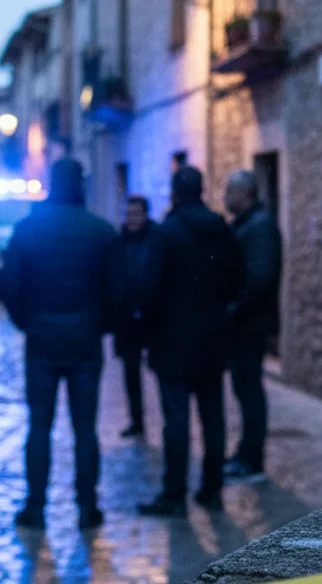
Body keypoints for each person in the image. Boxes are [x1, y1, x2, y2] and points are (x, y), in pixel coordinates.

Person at [2, 158, 118, 531]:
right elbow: (116, 289)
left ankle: (35, 507)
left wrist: (30, 323)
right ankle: (88, 506)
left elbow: (11, 287)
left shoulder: (27, 229)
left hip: (42, 340)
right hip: (84, 339)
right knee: (86, 427)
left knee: (40, 425)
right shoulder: (101, 231)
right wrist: (98, 326)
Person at [139, 166, 244, 517]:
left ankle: (174, 492)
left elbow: (150, 289)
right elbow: (235, 282)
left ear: (174, 193)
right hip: (213, 338)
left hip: (173, 341)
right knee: (213, 417)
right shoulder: (223, 231)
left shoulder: (166, 234)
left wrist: (150, 329)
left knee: (177, 421)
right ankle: (212, 490)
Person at [222, 171, 283, 481]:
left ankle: (252, 459)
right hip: (246, 324)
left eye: (229, 192)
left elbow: (259, 277)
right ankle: (246, 453)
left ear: (244, 193)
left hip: (249, 325)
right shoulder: (249, 224)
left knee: (249, 391)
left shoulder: (258, 227)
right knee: (245, 389)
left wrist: (234, 309)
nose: (225, 199)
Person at [111, 195, 156, 440]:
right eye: (128, 214)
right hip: (127, 319)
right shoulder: (119, 242)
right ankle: (137, 420)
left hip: (152, 317)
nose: (132, 219)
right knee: (130, 372)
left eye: (136, 214)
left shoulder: (157, 239)